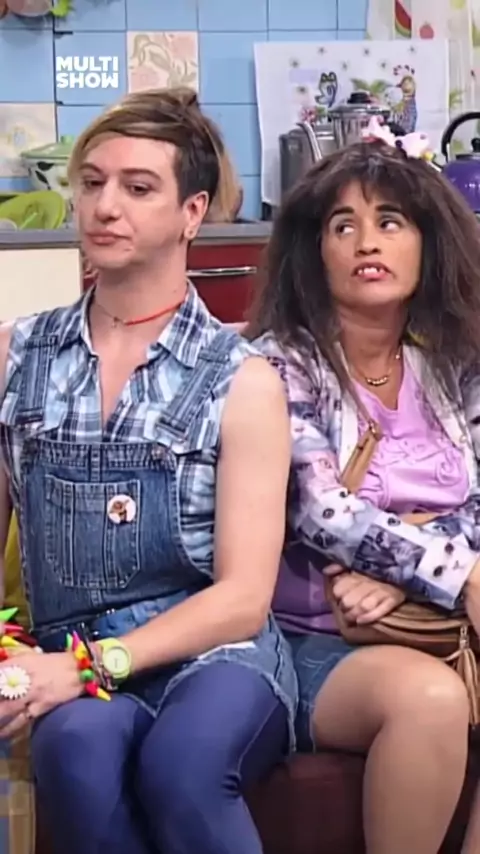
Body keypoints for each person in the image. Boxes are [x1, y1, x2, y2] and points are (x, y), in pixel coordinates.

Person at [0, 88, 297, 854]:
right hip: (67, 650)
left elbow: (241, 598)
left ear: (192, 213)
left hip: (214, 654)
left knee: (184, 768)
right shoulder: (16, 356)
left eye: (138, 188)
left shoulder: (242, 379)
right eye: (92, 182)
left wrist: (93, 666)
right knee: (76, 754)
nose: (105, 206)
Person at [248, 122, 480, 854]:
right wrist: (459, 572)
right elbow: (320, 510)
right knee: (430, 699)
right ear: (314, 253)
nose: (366, 243)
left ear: (429, 243)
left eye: (390, 222)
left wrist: (419, 572)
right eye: (343, 226)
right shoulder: (278, 368)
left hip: (439, 620)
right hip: (315, 640)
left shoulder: (455, 365)